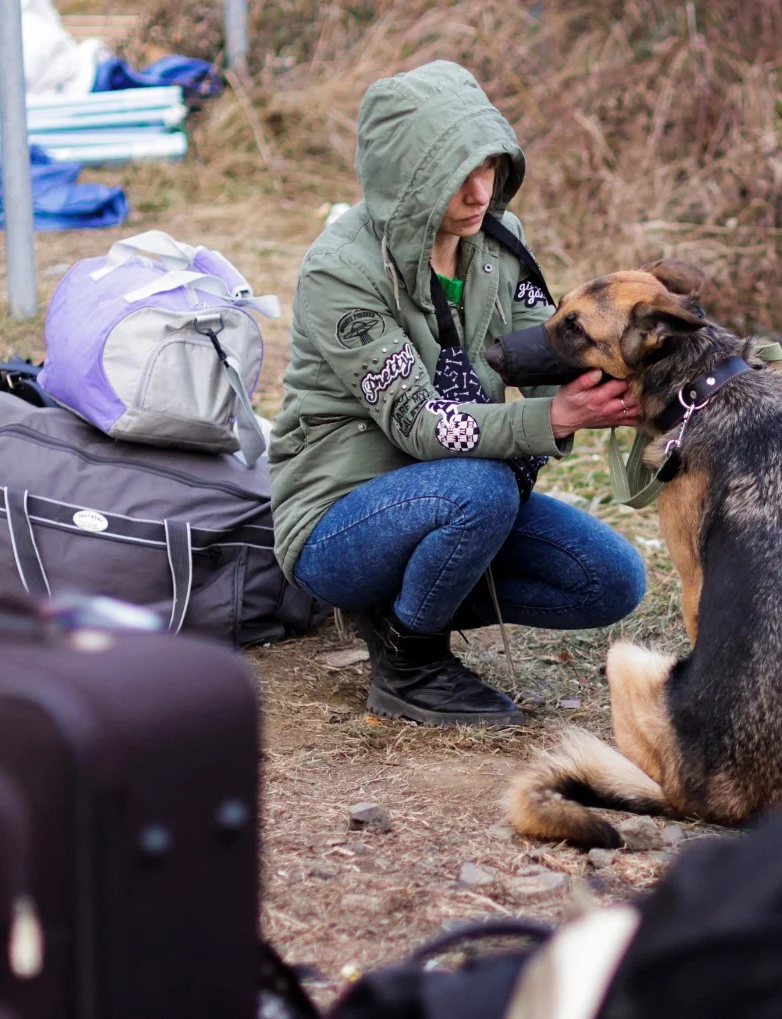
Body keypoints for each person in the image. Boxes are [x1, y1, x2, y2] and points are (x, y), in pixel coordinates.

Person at [269, 61, 645, 728]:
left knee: (611, 578)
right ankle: (409, 664)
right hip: (338, 521)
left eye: (491, 167)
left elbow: (544, 350)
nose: (480, 191)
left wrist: (634, 371)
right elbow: (421, 424)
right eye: (456, 175)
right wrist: (554, 417)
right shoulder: (341, 272)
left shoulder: (499, 241)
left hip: (449, 497)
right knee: (482, 488)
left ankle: (405, 602)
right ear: (407, 181)